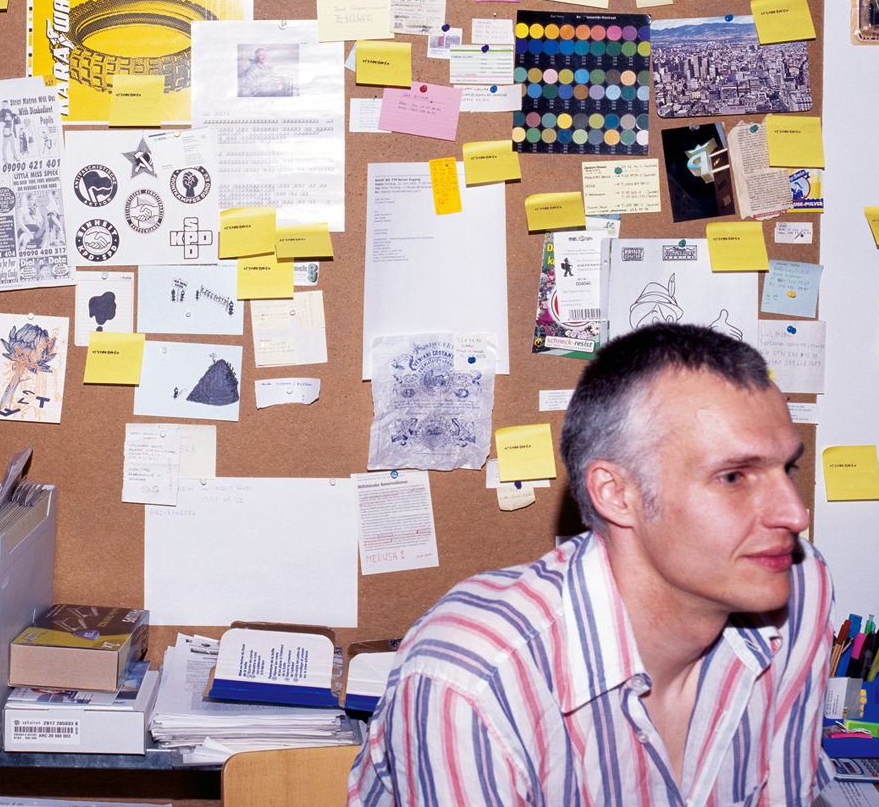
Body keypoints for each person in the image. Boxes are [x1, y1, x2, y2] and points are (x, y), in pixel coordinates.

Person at [349, 323, 835, 807]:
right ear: (616, 493)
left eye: (787, 469)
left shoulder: (799, 584)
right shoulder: (473, 677)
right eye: (733, 477)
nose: (795, 514)